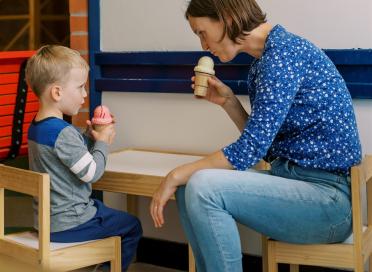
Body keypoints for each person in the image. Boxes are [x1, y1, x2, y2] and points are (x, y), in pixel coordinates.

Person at [150, 0, 362, 271]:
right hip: (297, 183)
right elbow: (266, 148)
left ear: (226, 17)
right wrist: (228, 101)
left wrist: (174, 173)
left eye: (201, 32)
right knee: (187, 188)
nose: (204, 46)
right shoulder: (263, 63)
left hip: (329, 202)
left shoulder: (283, 55)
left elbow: (248, 150)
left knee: (200, 185)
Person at [26, 45, 142, 272]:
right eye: (80, 87)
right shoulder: (63, 133)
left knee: (100, 209)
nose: (85, 94)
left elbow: (66, 159)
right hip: (71, 223)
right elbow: (92, 173)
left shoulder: (38, 127)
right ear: (57, 92)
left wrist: (89, 137)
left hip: (47, 222)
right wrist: (103, 142)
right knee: (131, 226)